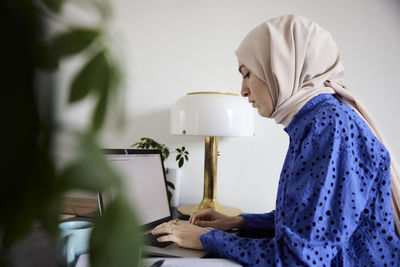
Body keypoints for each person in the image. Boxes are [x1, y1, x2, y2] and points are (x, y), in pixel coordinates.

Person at [152, 15, 400, 266]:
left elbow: (300, 258)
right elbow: (310, 220)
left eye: (247, 73)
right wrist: (239, 222)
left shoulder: (328, 125)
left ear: (279, 67)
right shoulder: (317, 120)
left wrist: (207, 238)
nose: (243, 90)